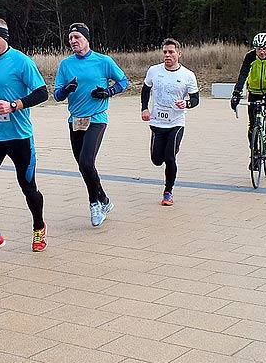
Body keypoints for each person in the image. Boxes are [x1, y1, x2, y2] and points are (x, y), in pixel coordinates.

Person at [0, 18, 48, 258]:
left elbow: (43, 93)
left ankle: (39, 227)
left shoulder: (22, 62)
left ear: (5, 37)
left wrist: (15, 105)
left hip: (19, 137)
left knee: (28, 187)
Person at [54, 22, 128, 227]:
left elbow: (123, 81)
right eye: (70, 38)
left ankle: (94, 203)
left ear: (87, 39)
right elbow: (56, 95)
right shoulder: (65, 65)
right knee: (83, 165)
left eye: (77, 37)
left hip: (97, 117)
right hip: (76, 120)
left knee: (86, 162)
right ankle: (104, 199)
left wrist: (109, 92)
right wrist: (66, 89)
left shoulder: (103, 61)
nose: (73, 41)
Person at [141, 38, 199, 206]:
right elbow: (145, 90)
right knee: (157, 159)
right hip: (157, 122)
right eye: (165, 52)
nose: (167, 55)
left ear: (179, 54)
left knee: (170, 156)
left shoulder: (188, 75)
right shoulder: (153, 71)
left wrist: (186, 103)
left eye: (171, 52)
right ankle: (165, 156)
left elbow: (195, 99)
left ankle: (168, 191)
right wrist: (144, 108)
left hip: (176, 122)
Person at [230, 32, 266, 164]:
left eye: (264, 49)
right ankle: (254, 153)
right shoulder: (250, 56)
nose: (261, 52)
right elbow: (243, 74)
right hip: (253, 90)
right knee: (252, 123)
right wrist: (236, 93)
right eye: (259, 49)